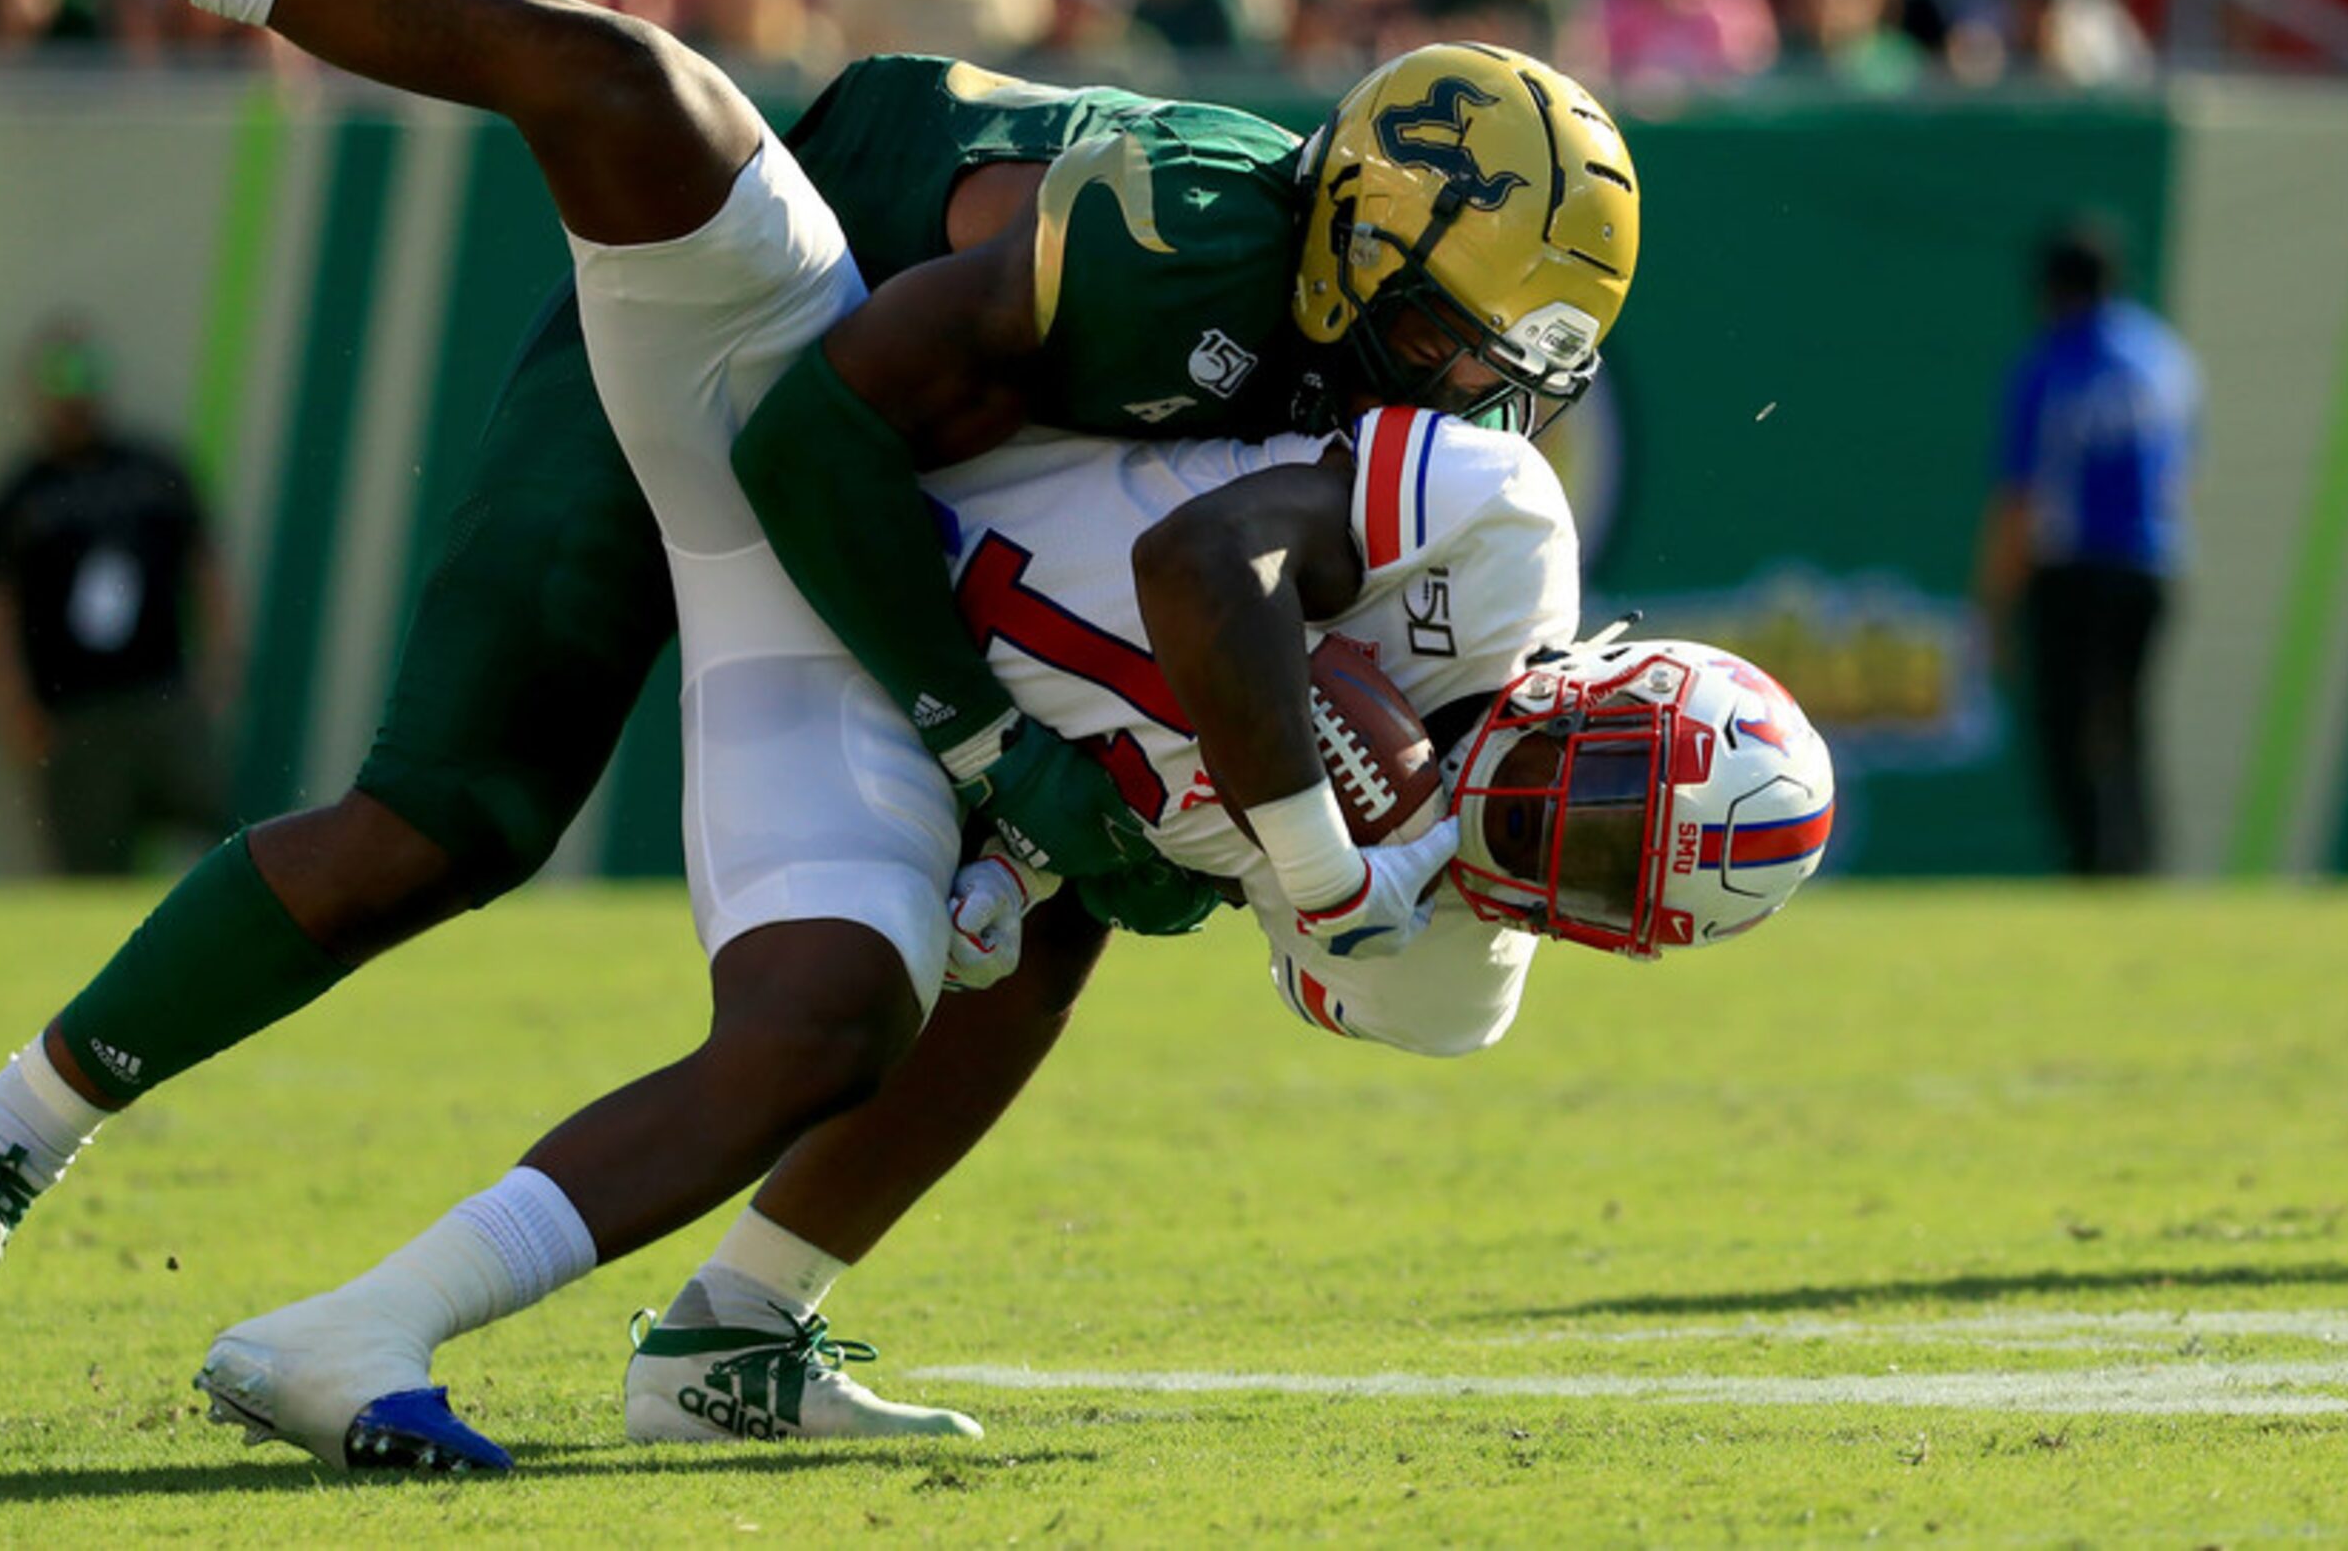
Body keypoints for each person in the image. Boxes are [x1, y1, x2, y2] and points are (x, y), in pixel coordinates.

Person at [0, 0, 1642, 1462]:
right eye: (1435, 330)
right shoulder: (1182, 255)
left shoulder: (1365, 415)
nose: (1453, 388)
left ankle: (741, 1322)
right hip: (762, 356)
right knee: (452, 810)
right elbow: (808, 438)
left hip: (895, 511)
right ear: (1356, 236)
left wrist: (1143, 807)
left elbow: (1186, 723)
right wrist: (974, 741)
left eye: (1492, 365)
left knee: (1041, 916)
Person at [219, 400, 1835, 1469]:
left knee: (1039, 945)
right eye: (1597, 788)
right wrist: (1319, 847)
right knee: (826, 1013)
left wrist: (1276, 842)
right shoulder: (1491, 534)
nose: (1555, 832)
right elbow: (1204, 575)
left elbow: (1177, 847)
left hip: (995, 695)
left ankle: (729, 1332)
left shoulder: (1454, 979)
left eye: (1605, 870)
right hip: (872, 572)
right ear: (1609, 677)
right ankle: (360, 1316)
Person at [0, 320, 237, 875]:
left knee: (222, 836)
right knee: (92, 866)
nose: (75, 404)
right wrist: (13, 706)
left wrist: (220, 666)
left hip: (161, 695)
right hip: (76, 711)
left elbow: (207, 569)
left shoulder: (153, 469)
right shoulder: (20, 496)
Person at [1978, 220, 2199, 877]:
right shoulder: (2165, 359)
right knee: (2130, 722)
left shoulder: (2052, 366)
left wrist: (1993, 607)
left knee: (2068, 727)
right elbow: (2186, 473)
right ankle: (2141, 859)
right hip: (2153, 566)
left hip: (2073, 572)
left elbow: (2020, 500)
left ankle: (2093, 868)